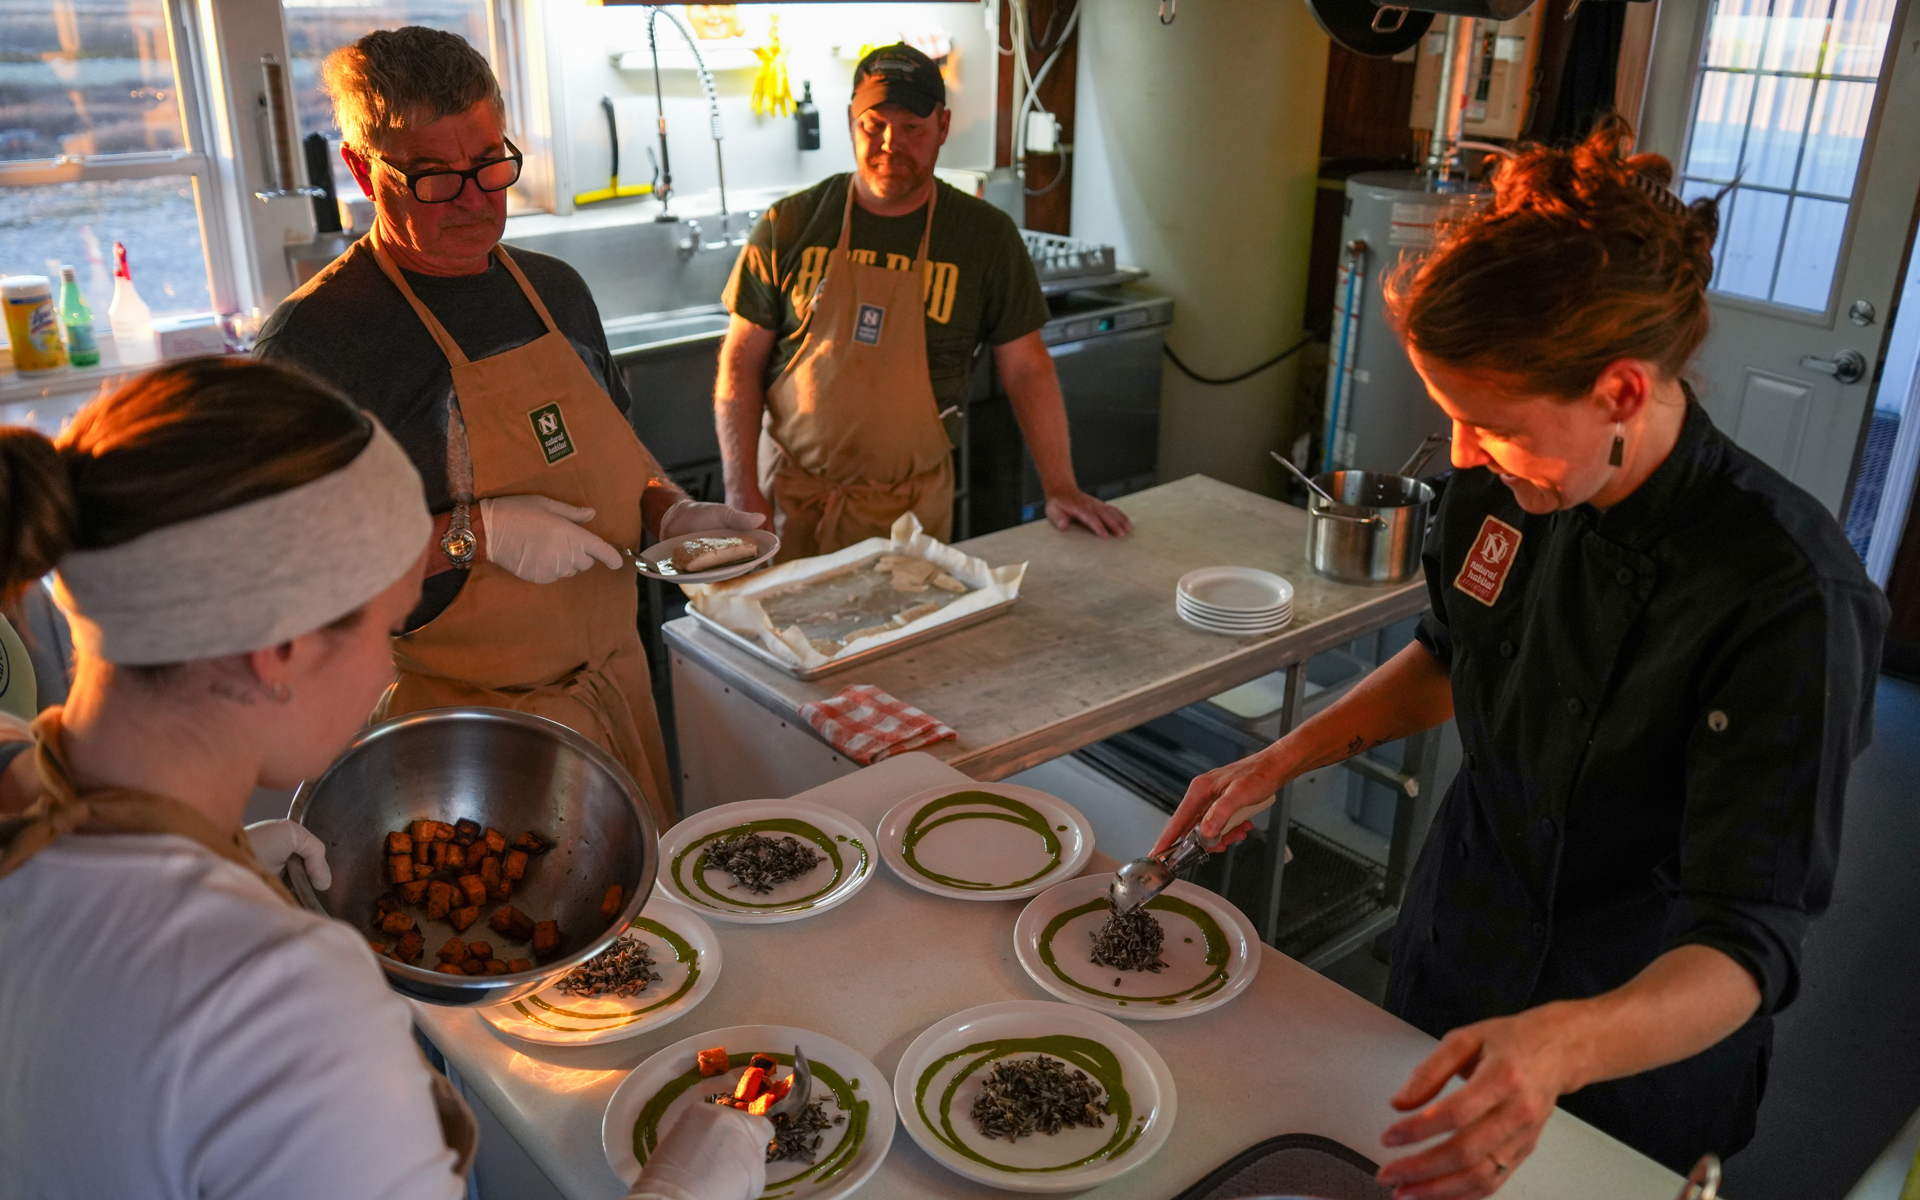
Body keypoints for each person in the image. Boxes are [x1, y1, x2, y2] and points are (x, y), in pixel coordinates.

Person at [1153, 122, 1888, 1198]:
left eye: (1490, 423)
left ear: (1623, 394)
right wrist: (1283, 758)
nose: (1461, 458)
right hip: (1459, 947)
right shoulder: (1511, 493)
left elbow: (1751, 943)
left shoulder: (1786, 597)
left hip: (1629, 1047)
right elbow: (1451, 659)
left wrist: (1558, 1047)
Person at [0, 359, 773, 1200]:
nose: (387, 670)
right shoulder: (281, 1010)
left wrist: (220, 863)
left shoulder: (22, 801)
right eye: (389, 628)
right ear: (280, 649)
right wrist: (687, 1189)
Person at [257, 27, 757, 830]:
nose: (477, 199)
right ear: (361, 168)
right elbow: (284, 574)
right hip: (457, 741)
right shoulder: (317, 345)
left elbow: (619, 460)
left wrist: (671, 514)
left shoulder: (553, 289)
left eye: (492, 163)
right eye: (435, 178)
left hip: (615, 694)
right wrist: (473, 535)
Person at [715, 42, 1131, 558]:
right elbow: (739, 363)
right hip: (790, 507)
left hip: (911, 520)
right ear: (851, 121)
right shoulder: (789, 224)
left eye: (912, 128)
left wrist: (1061, 487)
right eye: (874, 125)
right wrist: (740, 492)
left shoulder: (984, 237)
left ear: (943, 126)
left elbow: (1026, 367)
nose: (891, 143)